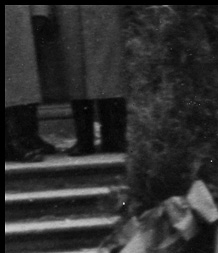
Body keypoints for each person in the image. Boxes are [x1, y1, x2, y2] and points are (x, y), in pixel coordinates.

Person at [51, 6, 128, 156]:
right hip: (71, 11)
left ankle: (114, 137)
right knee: (76, 72)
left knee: (111, 71)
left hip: (107, 12)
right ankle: (84, 139)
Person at [5, 5, 56, 162]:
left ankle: (27, 136)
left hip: (17, 16)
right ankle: (10, 143)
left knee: (24, 78)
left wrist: (39, 12)